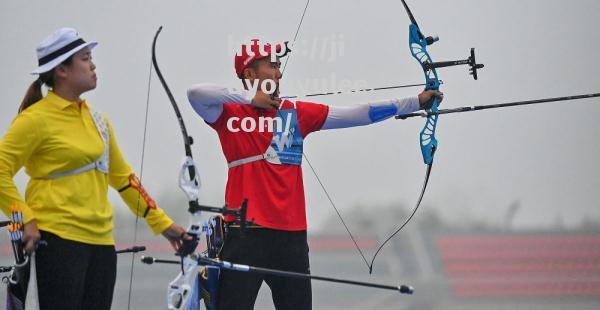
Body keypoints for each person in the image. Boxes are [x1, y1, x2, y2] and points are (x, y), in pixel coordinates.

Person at [186, 39, 442, 310]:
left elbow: (359, 114)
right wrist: (250, 97)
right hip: (245, 234)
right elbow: (195, 93)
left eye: (279, 65)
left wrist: (415, 102)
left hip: (291, 239)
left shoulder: (295, 112)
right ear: (249, 73)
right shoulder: (230, 114)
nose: (279, 72)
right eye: (272, 65)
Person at [0, 27, 188, 310]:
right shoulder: (34, 120)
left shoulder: (97, 120)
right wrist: (25, 218)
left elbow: (124, 179)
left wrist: (164, 225)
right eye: (86, 58)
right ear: (61, 70)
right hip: (57, 240)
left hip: (101, 243)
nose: (94, 65)